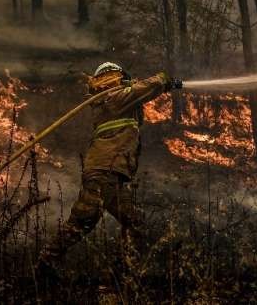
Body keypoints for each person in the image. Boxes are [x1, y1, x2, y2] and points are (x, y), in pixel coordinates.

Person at [38, 62, 182, 272]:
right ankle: (45, 264)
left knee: (135, 222)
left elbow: (136, 104)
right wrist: (163, 80)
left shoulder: (115, 102)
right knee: (83, 221)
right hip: (104, 173)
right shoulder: (112, 99)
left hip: (112, 174)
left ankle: (123, 270)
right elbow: (141, 90)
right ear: (115, 78)